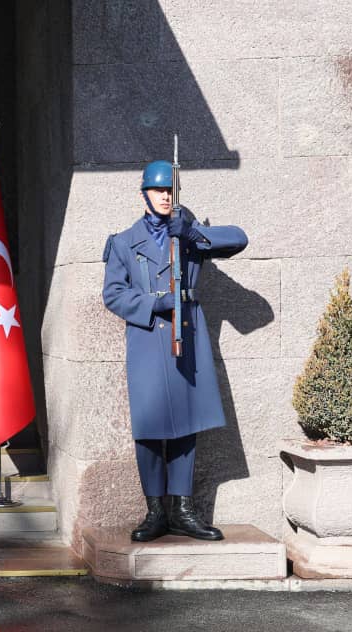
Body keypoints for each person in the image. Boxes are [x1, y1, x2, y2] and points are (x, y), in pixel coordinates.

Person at [102, 160, 248, 543]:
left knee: (186, 423)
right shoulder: (123, 242)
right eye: (158, 190)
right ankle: (155, 512)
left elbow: (239, 239)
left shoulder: (187, 233)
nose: (165, 196)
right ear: (144, 195)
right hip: (148, 339)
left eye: (170, 190)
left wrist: (192, 233)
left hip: (187, 337)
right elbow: (113, 294)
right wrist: (154, 304)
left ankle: (183, 511)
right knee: (149, 428)